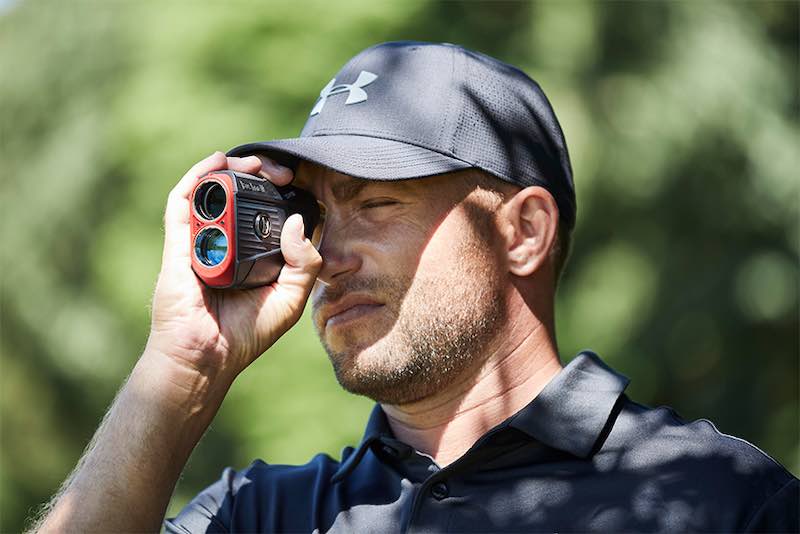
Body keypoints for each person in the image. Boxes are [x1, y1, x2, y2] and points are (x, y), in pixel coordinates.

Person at [32, 41, 797, 533]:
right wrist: (182, 365)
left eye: (375, 203)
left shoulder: (721, 501)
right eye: (316, 211)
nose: (325, 254)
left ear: (523, 231)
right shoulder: (260, 515)